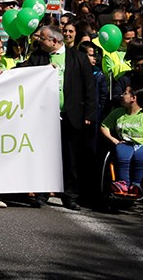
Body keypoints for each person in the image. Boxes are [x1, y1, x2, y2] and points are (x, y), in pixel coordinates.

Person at [23, 25, 97, 210]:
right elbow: (23, 70)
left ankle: (70, 195)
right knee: (44, 156)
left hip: (71, 116)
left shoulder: (78, 58)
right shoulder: (38, 57)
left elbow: (89, 87)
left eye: (43, 38)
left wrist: (89, 113)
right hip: (44, 116)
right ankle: (42, 193)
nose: (39, 40)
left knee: (70, 158)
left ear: (54, 41)